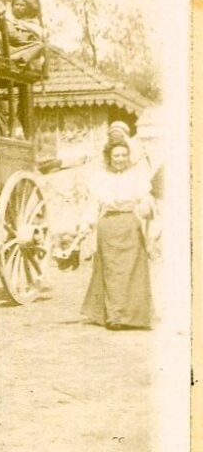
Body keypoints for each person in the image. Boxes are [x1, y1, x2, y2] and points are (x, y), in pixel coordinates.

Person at [80, 140, 155, 330]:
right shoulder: (100, 178)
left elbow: (145, 199)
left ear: (128, 156)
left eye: (123, 155)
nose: (120, 159)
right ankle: (115, 316)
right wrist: (87, 223)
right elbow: (93, 204)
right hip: (108, 227)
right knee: (112, 273)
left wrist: (147, 206)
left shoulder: (137, 176)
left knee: (132, 272)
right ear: (109, 157)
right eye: (116, 155)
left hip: (130, 225)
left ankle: (134, 317)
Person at [4, 0, 47, 72]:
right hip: (11, 47)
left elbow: (38, 34)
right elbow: (11, 35)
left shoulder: (32, 23)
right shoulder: (8, 19)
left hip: (24, 47)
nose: (18, 7)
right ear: (12, 6)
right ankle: (16, 58)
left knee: (39, 45)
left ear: (27, 8)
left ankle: (22, 60)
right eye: (16, 4)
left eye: (22, 5)